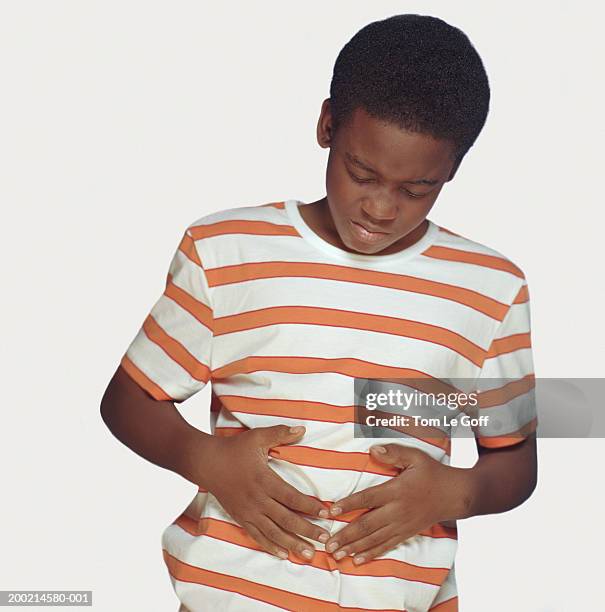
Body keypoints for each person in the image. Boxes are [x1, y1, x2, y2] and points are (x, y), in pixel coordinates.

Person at [100, 13, 537, 612]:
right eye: (363, 173)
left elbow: (515, 460)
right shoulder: (227, 251)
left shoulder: (490, 288)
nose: (382, 207)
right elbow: (125, 399)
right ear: (327, 124)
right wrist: (205, 459)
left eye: (417, 190)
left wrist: (450, 493)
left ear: (453, 170)